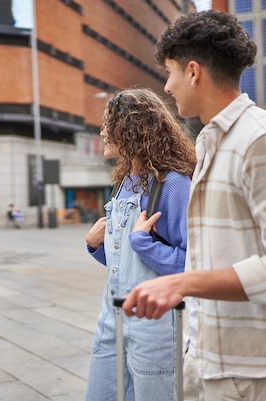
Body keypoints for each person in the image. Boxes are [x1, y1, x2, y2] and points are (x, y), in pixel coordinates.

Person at [121, 9, 266, 401]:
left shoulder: (264, 140)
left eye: (170, 73)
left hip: (251, 368)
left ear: (193, 72)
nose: (167, 86)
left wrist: (181, 282)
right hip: (213, 357)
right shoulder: (213, 141)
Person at [84, 87, 196, 401]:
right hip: (111, 319)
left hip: (155, 329)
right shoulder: (124, 182)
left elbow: (191, 265)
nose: (103, 131)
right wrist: (96, 245)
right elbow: (126, 265)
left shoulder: (173, 185)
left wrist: (142, 242)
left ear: (133, 128)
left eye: (110, 124)